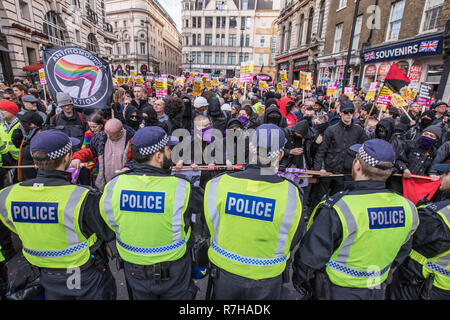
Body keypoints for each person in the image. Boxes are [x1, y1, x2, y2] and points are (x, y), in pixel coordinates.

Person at [293, 139, 419, 300]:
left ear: (357, 165)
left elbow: (310, 257)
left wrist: (304, 285)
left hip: (335, 289)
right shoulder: (408, 207)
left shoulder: (338, 207)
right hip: (376, 287)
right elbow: (403, 249)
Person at [0, 130, 117, 300]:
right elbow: (107, 232)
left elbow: (14, 225)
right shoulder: (81, 196)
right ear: (67, 157)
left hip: (43, 273)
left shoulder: (7, 195)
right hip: (78, 275)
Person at [203, 123, 303, 300]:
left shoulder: (217, 184)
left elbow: (210, 225)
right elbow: (294, 236)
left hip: (224, 273)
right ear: (280, 154)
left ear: (250, 148)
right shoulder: (292, 194)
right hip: (267, 278)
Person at [99, 126, 199, 300]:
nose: (171, 153)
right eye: (168, 149)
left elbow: (109, 224)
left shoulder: (114, 186)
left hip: (134, 268)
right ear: (158, 156)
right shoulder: (182, 187)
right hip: (175, 269)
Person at [388, 161, 450, 300]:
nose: (441, 176)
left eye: (446, 174)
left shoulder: (441, 214)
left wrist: (420, 214)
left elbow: (413, 239)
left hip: (422, 283)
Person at [312, 101, 368, 209]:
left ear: (354, 113)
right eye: (346, 112)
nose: (348, 115)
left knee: (339, 200)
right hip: (329, 170)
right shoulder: (331, 130)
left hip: (346, 173)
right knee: (320, 197)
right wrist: (319, 169)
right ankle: (315, 216)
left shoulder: (359, 131)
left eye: (351, 112)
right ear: (340, 113)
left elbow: (365, 150)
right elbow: (322, 150)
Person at [70, 118, 134, 191]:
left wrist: (128, 168)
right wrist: (77, 158)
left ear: (121, 132)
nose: (108, 137)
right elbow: (89, 150)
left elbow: (138, 160)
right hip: (104, 186)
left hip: (124, 185)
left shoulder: (132, 140)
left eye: (112, 135)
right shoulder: (101, 137)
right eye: (107, 133)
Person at [14, 111, 43, 181]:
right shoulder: (28, 136)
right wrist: (17, 133)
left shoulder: (40, 137)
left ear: (31, 125)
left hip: (36, 179)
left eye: (23, 123)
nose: (21, 125)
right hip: (27, 178)